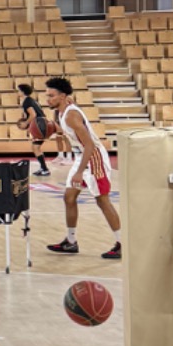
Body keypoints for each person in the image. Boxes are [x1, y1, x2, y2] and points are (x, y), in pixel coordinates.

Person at [44, 76, 121, 260]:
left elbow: (90, 145)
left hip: (94, 158)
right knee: (69, 197)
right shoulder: (62, 111)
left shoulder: (71, 115)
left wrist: (79, 172)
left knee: (102, 201)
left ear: (63, 96)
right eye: (47, 95)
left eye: (51, 96)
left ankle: (122, 244)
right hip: (82, 156)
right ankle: (71, 242)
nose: (48, 99)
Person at [17, 82, 53, 177]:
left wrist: (26, 123)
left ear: (23, 91)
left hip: (40, 124)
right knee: (36, 147)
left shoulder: (26, 101)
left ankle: (45, 169)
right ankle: (43, 168)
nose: (17, 92)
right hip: (42, 123)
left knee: (36, 147)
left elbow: (33, 114)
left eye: (18, 90)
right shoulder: (30, 100)